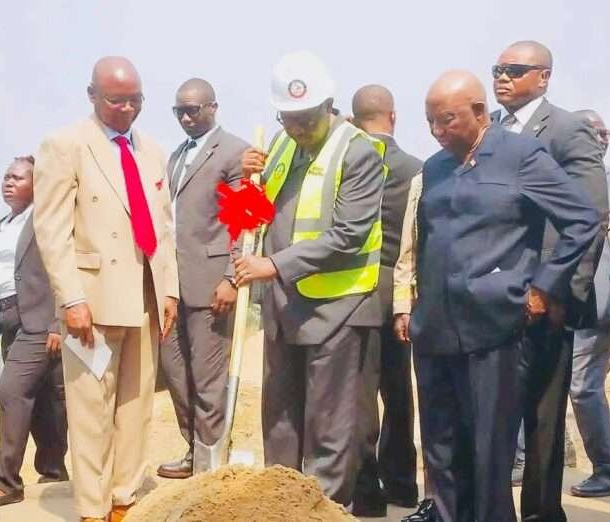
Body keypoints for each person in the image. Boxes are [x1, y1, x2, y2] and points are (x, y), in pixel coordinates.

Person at [401, 70, 598, 522]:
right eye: (429, 121)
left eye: (446, 120)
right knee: (441, 444)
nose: (436, 131)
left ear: (478, 111)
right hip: (435, 327)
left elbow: (582, 220)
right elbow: (425, 240)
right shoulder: (435, 167)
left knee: (489, 448)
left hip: (494, 326)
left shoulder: (521, 155)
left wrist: (544, 287)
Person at [235, 50, 385, 508]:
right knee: (280, 421)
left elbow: (349, 234)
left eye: (306, 120)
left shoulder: (359, 151)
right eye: (289, 119)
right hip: (283, 308)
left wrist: (275, 265)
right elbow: (251, 217)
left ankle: (323, 511)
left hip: (335, 309)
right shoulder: (280, 146)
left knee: (328, 427)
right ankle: (282, 507)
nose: (298, 129)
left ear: (329, 106)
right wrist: (245, 182)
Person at [33, 56, 179, 522]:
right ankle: (92, 510)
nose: (128, 109)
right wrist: (71, 299)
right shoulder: (65, 145)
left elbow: (164, 227)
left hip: (145, 298)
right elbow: (52, 230)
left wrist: (169, 290)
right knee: (92, 411)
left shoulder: (152, 150)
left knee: (136, 408)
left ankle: (123, 499)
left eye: (136, 100)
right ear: (92, 95)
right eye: (117, 101)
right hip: (92, 304)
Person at [491, 41, 609, 521]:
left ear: (543, 77)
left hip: (544, 300)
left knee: (541, 418)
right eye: (498, 69)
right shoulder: (489, 130)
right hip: (492, 296)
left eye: (515, 70)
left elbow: (590, 216)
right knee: (492, 415)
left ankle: (541, 513)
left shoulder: (566, 129)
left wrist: (560, 292)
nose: (502, 77)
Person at [158, 78, 249, 479]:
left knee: (209, 381)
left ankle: (209, 467)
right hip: (172, 286)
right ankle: (194, 451)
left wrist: (232, 276)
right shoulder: (177, 156)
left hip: (212, 285)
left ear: (213, 107)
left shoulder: (235, 152)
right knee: (177, 373)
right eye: (179, 111)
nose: (186, 118)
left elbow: (244, 220)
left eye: (193, 110)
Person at [0, 156, 69, 507]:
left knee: (11, 391)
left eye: (18, 177)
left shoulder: (45, 218)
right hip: (7, 319)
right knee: (44, 400)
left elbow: (65, 267)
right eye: (6, 176)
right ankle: (54, 472)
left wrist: (58, 321)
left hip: (40, 318)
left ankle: (5, 480)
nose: (9, 182)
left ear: (37, 184)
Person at [350, 84, 421, 517]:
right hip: (399, 293)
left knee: (360, 396)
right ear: (393, 116)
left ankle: (366, 491)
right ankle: (402, 483)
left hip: (355, 290)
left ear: (355, 120)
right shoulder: (416, 168)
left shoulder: (348, 163)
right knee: (398, 392)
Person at [565, 110, 610, 497]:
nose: (602, 139)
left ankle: (608, 467)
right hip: (569, 298)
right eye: (594, 133)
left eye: (606, 133)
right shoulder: (563, 177)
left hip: (602, 298)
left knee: (583, 385)